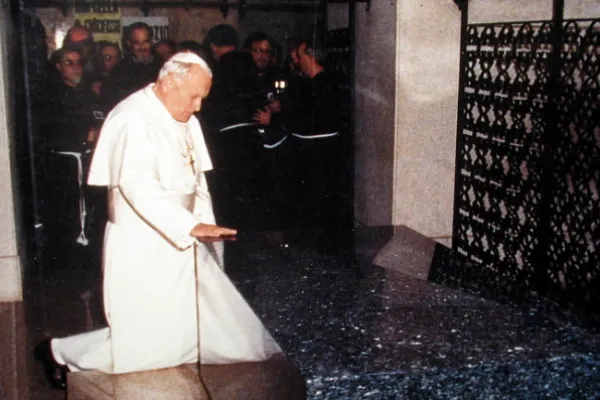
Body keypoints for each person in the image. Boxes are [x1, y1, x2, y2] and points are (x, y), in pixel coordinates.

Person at [34, 52, 282, 390]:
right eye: (194, 95)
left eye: (202, 98)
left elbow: (197, 181)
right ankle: (58, 352)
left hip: (185, 231)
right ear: (168, 82)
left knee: (185, 326)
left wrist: (206, 230)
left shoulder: (184, 117)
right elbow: (138, 186)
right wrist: (188, 226)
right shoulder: (132, 118)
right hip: (143, 237)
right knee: (145, 344)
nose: (198, 106)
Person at [102, 22, 161, 110]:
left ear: (152, 42)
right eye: (137, 42)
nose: (142, 47)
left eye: (145, 41)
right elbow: (111, 103)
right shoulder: (119, 70)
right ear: (129, 44)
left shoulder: (164, 67)